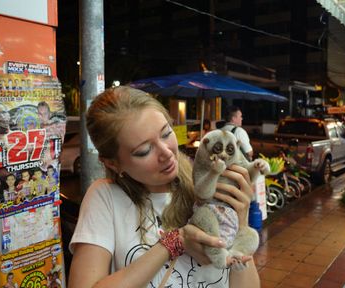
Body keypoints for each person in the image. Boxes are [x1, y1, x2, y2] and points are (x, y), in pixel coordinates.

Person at [68, 86, 259, 288]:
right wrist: (175, 242)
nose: (166, 152)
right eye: (144, 150)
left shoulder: (210, 186)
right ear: (113, 163)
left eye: (166, 133)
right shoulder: (106, 197)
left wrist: (241, 221)